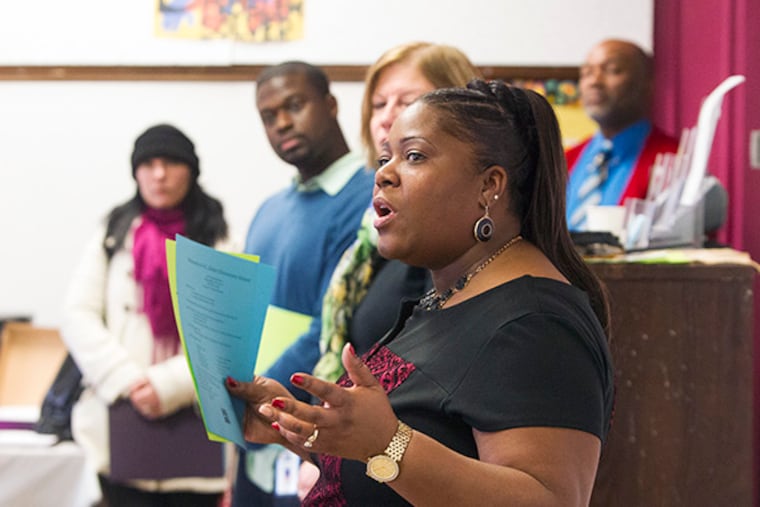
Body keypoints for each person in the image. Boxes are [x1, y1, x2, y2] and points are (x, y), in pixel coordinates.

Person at [226, 79, 615, 506]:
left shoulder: (535, 322)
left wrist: (388, 443)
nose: (383, 174)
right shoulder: (447, 298)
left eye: (413, 156)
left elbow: (550, 500)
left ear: (490, 186)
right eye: (384, 157)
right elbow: (395, 468)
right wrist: (295, 422)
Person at [62, 124, 230, 506]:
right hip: (120, 422)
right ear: (135, 172)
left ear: (191, 170)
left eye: (170, 163)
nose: (158, 175)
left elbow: (227, 333)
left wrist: (168, 385)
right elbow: (77, 314)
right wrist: (129, 381)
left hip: (194, 428)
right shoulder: (114, 230)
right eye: (148, 164)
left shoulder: (218, 235)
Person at [232, 61, 375, 507]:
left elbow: (332, 323)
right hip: (254, 435)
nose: (282, 123)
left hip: (314, 434)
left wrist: (252, 394)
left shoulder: (371, 198)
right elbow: (245, 317)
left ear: (331, 105)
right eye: (269, 116)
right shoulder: (269, 209)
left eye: (294, 105)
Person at [565, 39, 679, 231]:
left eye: (612, 70)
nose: (594, 81)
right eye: (587, 73)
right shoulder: (567, 159)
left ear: (646, 84)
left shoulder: (673, 160)